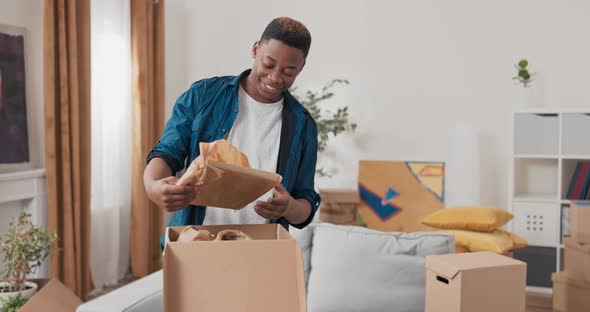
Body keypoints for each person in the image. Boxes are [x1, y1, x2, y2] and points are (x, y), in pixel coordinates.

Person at [143, 17, 320, 248]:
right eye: (269, 64)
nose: (275, 77)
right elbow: (167, 152)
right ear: (256, 49)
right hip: (194, 244)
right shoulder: (204, 95)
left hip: (260, 253)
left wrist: (289, 207)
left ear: (301, 67)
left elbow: (305, 203)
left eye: (289, 71)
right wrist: (153, 186)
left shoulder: (303, 126)